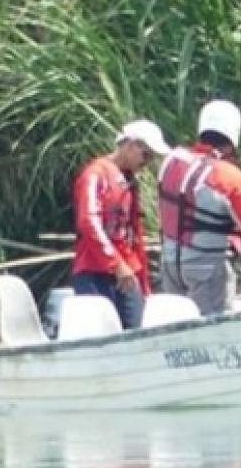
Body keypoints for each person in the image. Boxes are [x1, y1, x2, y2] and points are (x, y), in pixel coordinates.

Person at [157, 99, 241, 314]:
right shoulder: (228, 176)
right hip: (207, 269)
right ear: (232, 138)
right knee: (213, 332)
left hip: (170, 264)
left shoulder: (171, 160)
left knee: (179, 324)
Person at [71, 119, 171, 329]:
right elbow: (88, 222)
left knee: (137, 327)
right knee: (102, 333)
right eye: (146, 154)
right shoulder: (95, 174)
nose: (147, 161)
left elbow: (134, 234)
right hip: (94, 270)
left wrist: (143, 282)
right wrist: (116, 264)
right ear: (130, 144)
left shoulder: (129, 181)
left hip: (126, 270)